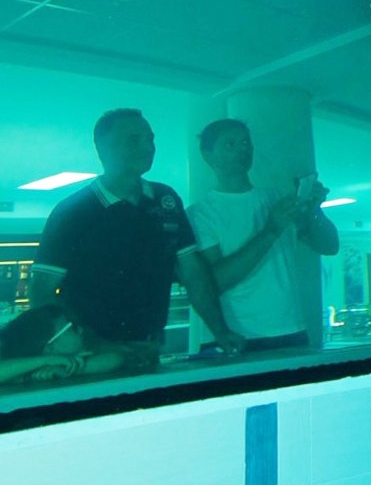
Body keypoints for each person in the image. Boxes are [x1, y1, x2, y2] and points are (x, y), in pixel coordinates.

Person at [29, 109, 243, 353]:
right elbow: (42, 290)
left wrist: (220, 331)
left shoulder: (165, 200)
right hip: (90, 353)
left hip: (149, 345)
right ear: (102, 148)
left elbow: (192, 272)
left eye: (150, 139)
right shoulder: (72, 212)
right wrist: (89, 346)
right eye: (134, 139)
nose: (148, 146)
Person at [188, 119, 339, 352]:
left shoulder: (277, 199)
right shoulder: (200, 214)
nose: (242, 149)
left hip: (290, 328)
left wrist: (314, 211)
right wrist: (271, 230)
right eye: (230, 144)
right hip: (233, 337)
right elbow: (212, 283)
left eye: (246, 142)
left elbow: (330, 246)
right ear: (207, 155)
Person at [0, 304, 156, 383]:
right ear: (50, 346)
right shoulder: (21, 370)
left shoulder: (91, 351)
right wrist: (46, 361)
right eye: (72, 327)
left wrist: (64, 368)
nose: (80, 329)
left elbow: (116, 357)